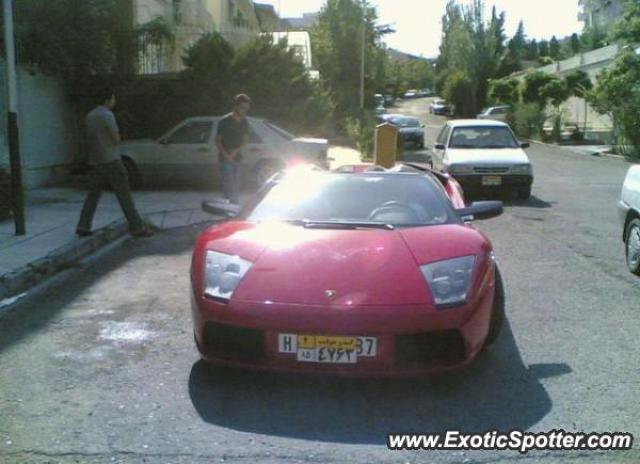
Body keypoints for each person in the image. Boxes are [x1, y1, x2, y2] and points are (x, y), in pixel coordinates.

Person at [76, 89, 153, 238]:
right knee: (124, 195)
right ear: (107, 100)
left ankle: (83, 225)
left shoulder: (89, 116)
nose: (114, 102)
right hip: (111, 159)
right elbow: (116, 139)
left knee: (92, 195)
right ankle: (137, 227)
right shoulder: (107, 115)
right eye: (112, 99)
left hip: (95, 160)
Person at [215, 94, 251, 204]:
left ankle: (229, 206)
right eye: (242, 107)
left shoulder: (245, 122)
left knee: (236, 185)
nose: (245, 110)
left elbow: (245, 141)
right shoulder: (224, 121)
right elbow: (217, 140)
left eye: (247, 108)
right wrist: (226, 155)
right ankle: (234, 208)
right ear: (236, 106)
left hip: (237, 157)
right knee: (229, 185)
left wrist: (235, 152)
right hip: (224, 158)